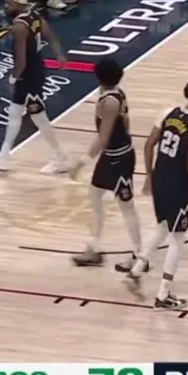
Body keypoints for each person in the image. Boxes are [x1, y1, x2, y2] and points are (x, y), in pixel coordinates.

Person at [126, 77, 188, 309]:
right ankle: (163, 295)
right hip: (177, 184)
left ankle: (136, 271)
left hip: (160, 179)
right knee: (178, 239)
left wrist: (149, 174)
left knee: (163, 226)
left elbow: (148, 145)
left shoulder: (167, 113)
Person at [0, 0, 76, 174]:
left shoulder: (19, 27)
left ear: (19, 4)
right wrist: (59, 53)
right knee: (15, 113)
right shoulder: (34, 16)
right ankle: (3, 157)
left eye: (9, 3)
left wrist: (13, 78)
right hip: (35, 69)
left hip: (29, 75)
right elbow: (51, 36)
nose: (6, 6)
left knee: (38, 116)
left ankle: (61, 157)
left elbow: (21, 61)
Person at [73, 59, 145, 270]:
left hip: (119, 158)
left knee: (127, 206)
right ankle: (95, 249)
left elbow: (103, 138)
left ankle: (140, 256)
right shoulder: (116, 93)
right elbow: (126, 124)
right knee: (95, 196)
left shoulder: (110, 102)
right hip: (113, 155)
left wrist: (82, 162)